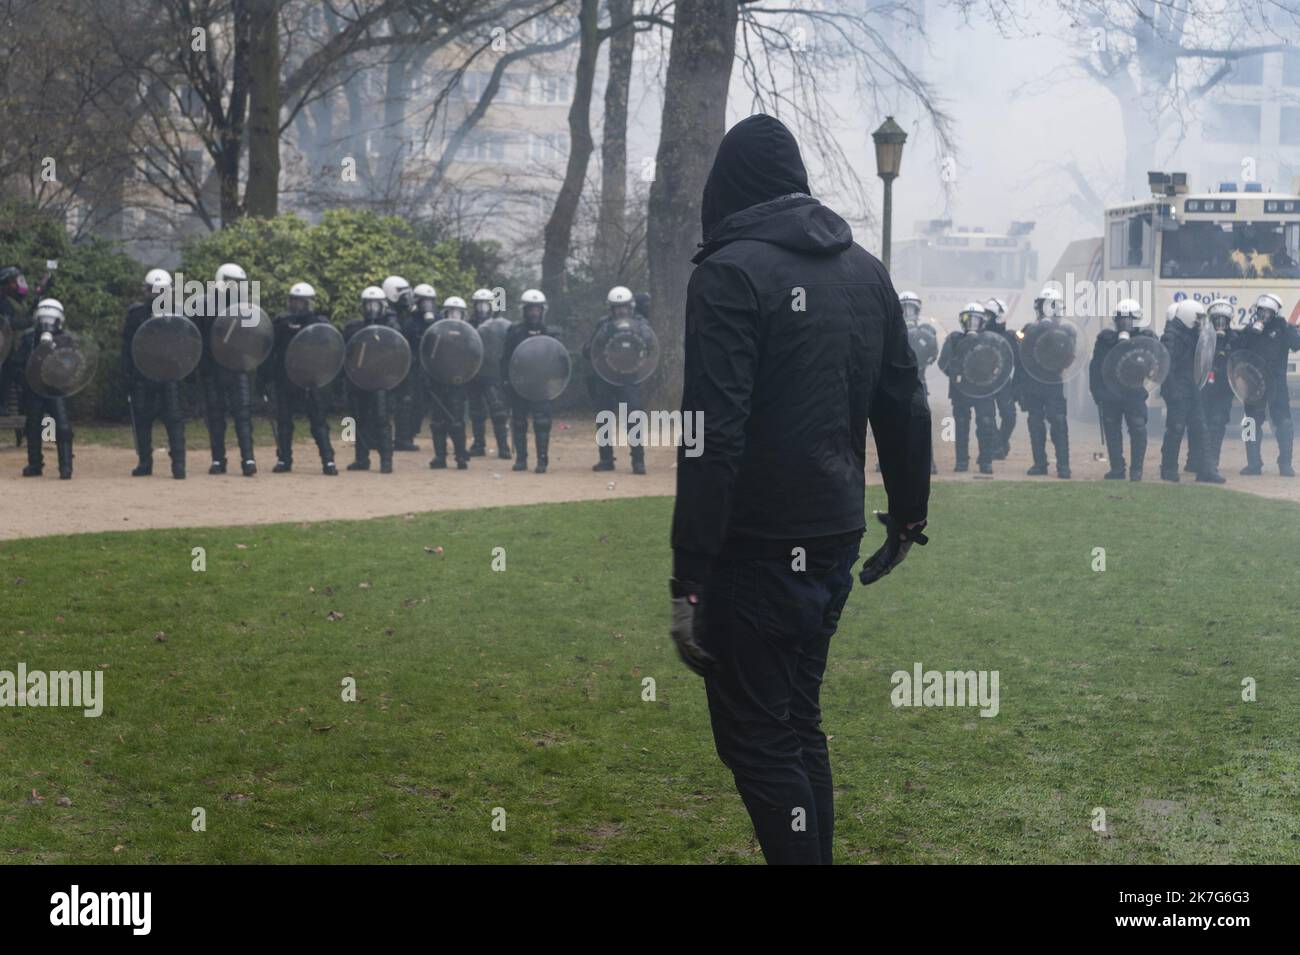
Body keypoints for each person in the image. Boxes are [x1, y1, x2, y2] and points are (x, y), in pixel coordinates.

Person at [668, 114, 930, 866]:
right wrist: (907, 516)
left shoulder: (729, 272)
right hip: (833, 530)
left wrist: (688, 574)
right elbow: (906, 402)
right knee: (795, 721)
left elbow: (708, 433)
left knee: (759, 739)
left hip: (754, 544)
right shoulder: (865, 270)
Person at [122, 269, 187, 478]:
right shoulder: (136, 314)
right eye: (153, 290)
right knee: (142, 420)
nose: (157, 294)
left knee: (175, 419)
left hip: (169, 373)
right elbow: (127, 346)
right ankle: (144, 463)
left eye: (162, 290)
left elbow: (186, 345)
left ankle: (179, 465)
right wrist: (127, 373)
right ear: (146, 291)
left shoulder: (177, 313)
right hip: (143, 373)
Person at [269, 282, 337, 475]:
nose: (297, 306)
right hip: (285, 379)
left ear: (309, 303)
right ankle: (284, 459)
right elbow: (271, 350)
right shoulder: (281, 322)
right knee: (284, 422)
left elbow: (328, 348)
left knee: (318, 422)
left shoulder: (319, 323)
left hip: (310, 379)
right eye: (294, 301)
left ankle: (328, 460)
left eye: (302, 302)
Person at [197, 262, 257, 476]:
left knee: (243, 415)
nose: (236, 287)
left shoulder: (246, 308)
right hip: (213, 369)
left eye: (239, 284)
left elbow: (253, 339)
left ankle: (248, 459)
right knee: (215, 416)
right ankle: (217, 460)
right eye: (232, 283)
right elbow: (198, 340)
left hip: (236, 367)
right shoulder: (204, 306)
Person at [584, 285, 647, 474]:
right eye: (617, 307)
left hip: (629, 378)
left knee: (633, 419)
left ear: (631, 307)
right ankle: (606, 459)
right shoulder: (603, 324)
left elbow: (650, 344)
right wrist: (603, 336)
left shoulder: (641, 323)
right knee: (604, 420)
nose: (621, 310)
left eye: (624, 306)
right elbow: (589, 349)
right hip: (606, 378)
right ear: (611, 308)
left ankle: (638, 461)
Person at [1159, 299, 1223, 483]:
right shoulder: (1172, 337)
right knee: (1175, 429)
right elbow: (1167, 367)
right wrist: (1173, 393)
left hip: (1192, 388)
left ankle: (1206, 470)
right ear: (1187, 317)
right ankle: (1169, 469)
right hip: (1178, 390)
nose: (1199, 323)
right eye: (1197, 319)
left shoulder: (1192, 333)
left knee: (1201, 429)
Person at [1089, 298, 1152, 481]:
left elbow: (1153, 366)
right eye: (1121, 319)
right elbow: (1096, 367)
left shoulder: (1145, 340)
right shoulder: (1105, 340)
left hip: (1134, 393)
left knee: (1138, 429)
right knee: (1112, 432)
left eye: (1129, 319)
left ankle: (1136, 470)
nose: (1124, 323)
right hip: (1111, 394)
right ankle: (1117, 469)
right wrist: (1097, 393)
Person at [1237, 292, 1300, 476]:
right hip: (1254, 383)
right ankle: (1253, 464)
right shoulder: (1251, 329)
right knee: (1250, 423)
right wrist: (1250, 332)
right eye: (1260, 311)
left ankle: (1285, 464)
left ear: (1274, 313)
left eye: (1266, 312)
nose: (1263, 315)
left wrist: (1292, 330)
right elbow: (1239, 349)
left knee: (1284, 423)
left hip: (1277, 384)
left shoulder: (1283, 328)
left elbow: (1296, 344)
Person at [15, 299, 74, 478]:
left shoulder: (65, 338)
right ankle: (35, 464)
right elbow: (18, 362)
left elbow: (72, 363)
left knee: (62, 426)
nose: (46, 323)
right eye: (43, 318)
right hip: (34, 388)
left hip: (56, 388)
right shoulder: (28, 338)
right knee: (33, 425)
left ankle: (65, 466)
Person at [343, 286, 399, 473]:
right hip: (360, 378)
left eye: (376, 304)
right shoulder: (354, 327)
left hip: (380, 379)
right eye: (368, 304)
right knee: (359, 418)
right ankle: (361, 458)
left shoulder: (389, 328)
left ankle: (386, 460)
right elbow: (347, 352)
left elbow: (398, 346)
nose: (371, 309)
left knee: (382, 418)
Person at [938, 303, 998, 474]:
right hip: (961, 390)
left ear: (982, 321)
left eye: (976, 319)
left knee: (986, 425)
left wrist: (989, 376)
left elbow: (999, 362)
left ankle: (986, 462)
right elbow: (944, 363)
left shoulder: (989, 339)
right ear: (962, 320)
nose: (972, 322)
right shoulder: (954, 338)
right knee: (961, 426)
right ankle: (962, 461)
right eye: (968, 318)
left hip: (983, 390)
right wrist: (957, 375)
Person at [1017, 288, 1071, 478]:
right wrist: (1019, 389)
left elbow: (1069, 358)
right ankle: (1040, 464)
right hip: (1033, 384)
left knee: (1058, 422)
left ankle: (1063, 466)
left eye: (1053, 306)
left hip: (1053, 383)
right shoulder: (1028, 330)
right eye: (1046, 306)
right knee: (1035, 423)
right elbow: (1021, 359)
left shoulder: (1066, 332)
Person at [501, 289, 554, 474]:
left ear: (542, 311)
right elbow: (506, 359)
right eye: (531, 309)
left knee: (542, 423)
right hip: (520, 383)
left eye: (537, 309)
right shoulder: (514, 332)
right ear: (525, 310)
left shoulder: (549, 332)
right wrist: (506, 382)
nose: (534, 313)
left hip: (541, 385)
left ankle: (542, 461)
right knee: (519, 422)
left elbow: (556, 360)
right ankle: (521, 459)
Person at [427, 295, 472, 470]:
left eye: (457, 313)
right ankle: (440, 456)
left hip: (457, 381)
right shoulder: (436, 333)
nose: (454, 316)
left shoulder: (468, 334)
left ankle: (461, 455)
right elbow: (429, 356)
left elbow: (473, 358)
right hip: (439, 380)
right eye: (451, 312)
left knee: (456, 420)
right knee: (438, 421)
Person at [466, 287, 511, 459]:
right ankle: (478, 444)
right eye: (479, 305)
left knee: (498, 411)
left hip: (493, 373)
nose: (482, 308)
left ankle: (503, 446)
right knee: (476, 412)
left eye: (486, 304)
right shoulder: (469, 325)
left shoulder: (500, 325)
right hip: (474, 373)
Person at [897, 291, 938, 476]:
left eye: (911, 307)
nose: (908, 311)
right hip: (895, 383)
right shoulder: (892, 330)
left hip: (917, 381)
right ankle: (890, 461)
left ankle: (928, 463)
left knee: (922, 423)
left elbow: (932, 354)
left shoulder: (926, 332)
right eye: (904, 307)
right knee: (893, 424)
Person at [1200, 299, 1238, 476]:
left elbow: (1241, 361)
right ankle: (1199, 461)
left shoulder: (1235, 339)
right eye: (1217, 320)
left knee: (1217, 423)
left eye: (1223, 320)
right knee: (1204, 424)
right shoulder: (1203, 337)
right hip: (1206, 388)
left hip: (1224, 389)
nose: (1220, 324)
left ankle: (1212, 462)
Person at [983, 297, 1017, 459]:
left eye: (988, 315)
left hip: (1004, 382)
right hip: (984, 383)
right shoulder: (980, 336)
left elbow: (1019, 361)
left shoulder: (1010, 337)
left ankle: (1001, 442)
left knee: (1010, 416)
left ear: (998, 316)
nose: (984, 319)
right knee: (987, 418)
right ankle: (995, 447)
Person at [0, 265, 32, 428]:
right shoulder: (3, 302)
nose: (18, 284)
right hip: (7, 351)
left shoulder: (17, 301)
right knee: (8, 374)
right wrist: (29, 322)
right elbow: (8, 323)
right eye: (14, 282)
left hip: (17, 350)